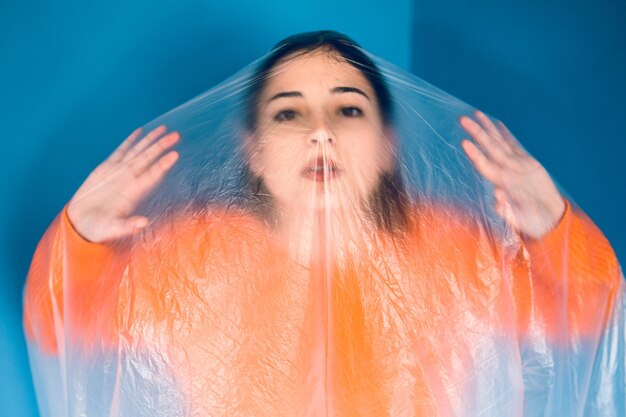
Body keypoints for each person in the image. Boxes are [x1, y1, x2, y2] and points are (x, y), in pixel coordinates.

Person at [23, 31, 623, 416]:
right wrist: (81, 234)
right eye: (289, 113)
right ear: (254, 150)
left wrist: (554, 228)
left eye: (348, 107)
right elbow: (63, 327)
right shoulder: (192, 258)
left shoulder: (453, 253)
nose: (321, 132)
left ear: (388, 143)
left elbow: (587, 319)